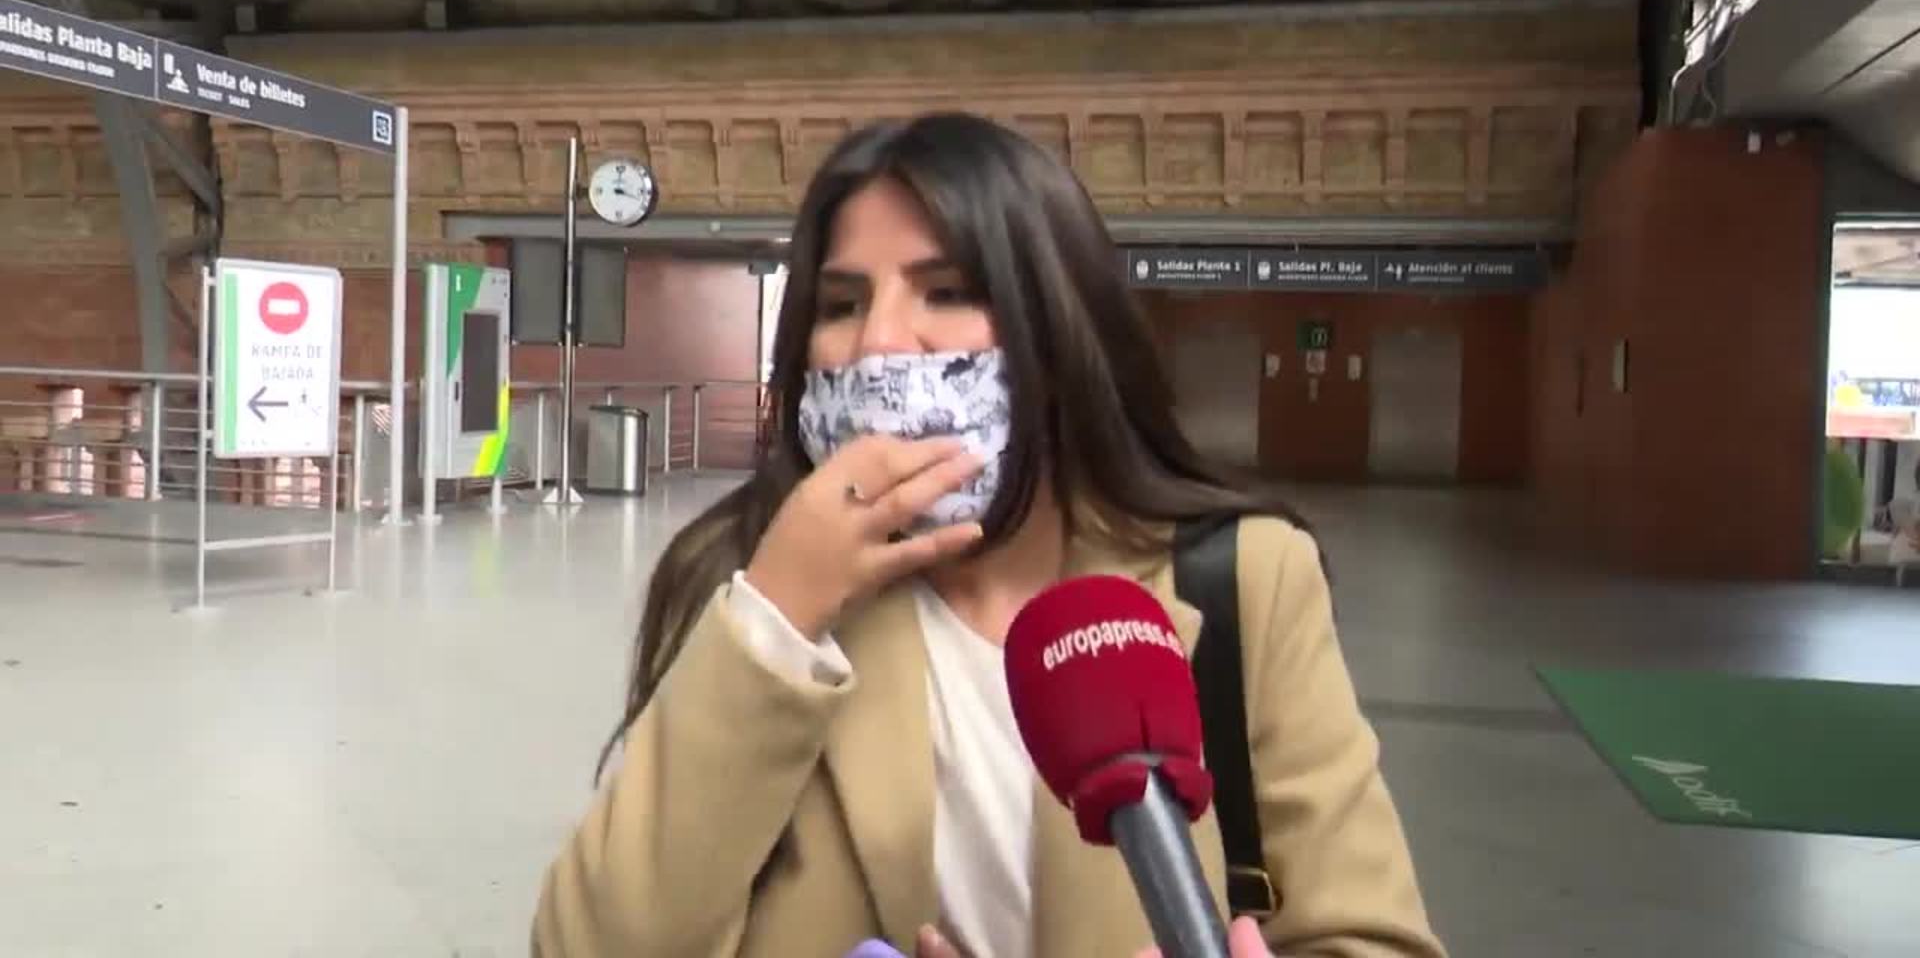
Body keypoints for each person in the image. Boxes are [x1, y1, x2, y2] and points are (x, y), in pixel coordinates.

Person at [533, 113, 1446, 958]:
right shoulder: (741, 581)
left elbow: (1370, 936)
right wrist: (777, 617)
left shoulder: (1241, 579)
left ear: (1059, 328)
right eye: (841, 305)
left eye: (947, 292)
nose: (880, 342)